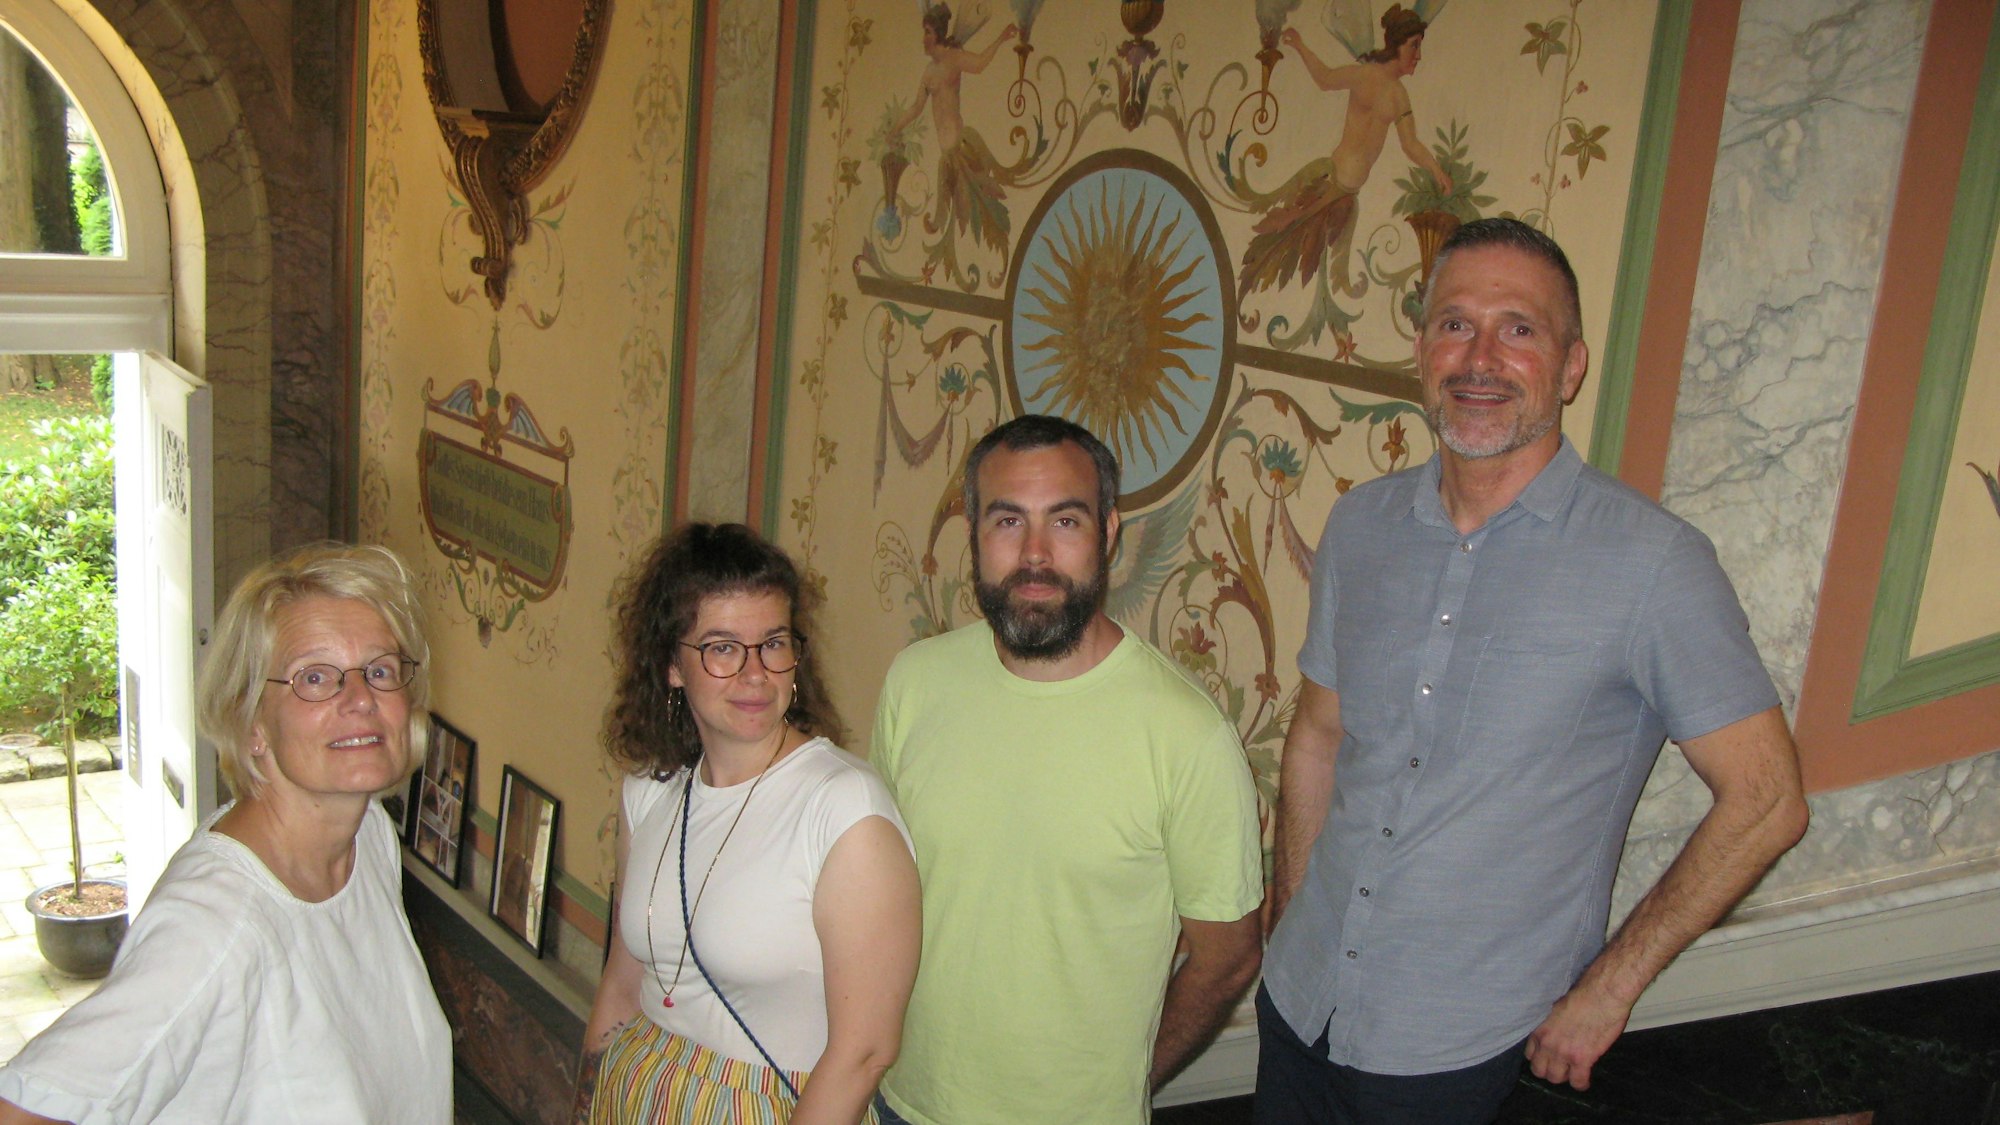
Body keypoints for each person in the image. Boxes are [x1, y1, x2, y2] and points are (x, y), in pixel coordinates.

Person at [1258, 217, 1811, 1123]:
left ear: (1571, 365)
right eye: (1453, 324)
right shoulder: (1361, 527)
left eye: (1519, 328)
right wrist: (1289, 913)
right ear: (1421, 348)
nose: (1479, 357)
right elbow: (1319, 736)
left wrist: (1608, 989)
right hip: (1299, 1012)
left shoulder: (1653, 564)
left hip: (1464, 1056)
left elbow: (1768, 800)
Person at [872, 414, 1264, 1124]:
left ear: (1109, 533)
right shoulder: (915, 682)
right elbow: (877, 889)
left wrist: (1126, 1076)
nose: (1034, 554)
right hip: (900, 1101)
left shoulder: (1187, 735)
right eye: (1007, 521)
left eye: (1066, 521)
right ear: (974, 534)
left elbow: (1229, 954)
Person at [0, 543, 453, 1124]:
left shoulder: (365, 837)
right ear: (252, 723)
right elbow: (30, 1110)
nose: (360, 699)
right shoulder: (218, 924)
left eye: (381, 671)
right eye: (315, 677)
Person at [575, 523, 920, 1124]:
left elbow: (865, 1052)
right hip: (635, 1093)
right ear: (672, 665)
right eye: (722, 647)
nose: (756, 673)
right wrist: (582, 1106)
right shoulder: (650, 795)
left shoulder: (843, 810)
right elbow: (622, 984)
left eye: (774, 643)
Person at [1240, 5, 1451, 299]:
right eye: (1414, 45)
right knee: (1289, 230)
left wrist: (1436, 169)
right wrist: (1300, 45)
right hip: (1332, 178)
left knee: (1304, 244)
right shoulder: (1366, 75)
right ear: (1397, 44)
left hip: (1346, 190)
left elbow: (1410, 143)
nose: (1418, 55)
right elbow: (1325, 79)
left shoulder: (1398, 95)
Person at [887, 4, 1019, 257]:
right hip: (946, 153)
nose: (923, 39)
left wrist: (1001, 38)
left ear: (937, 33)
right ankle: (939, 225)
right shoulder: (928, 73)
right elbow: (916, 107)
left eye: (927, 32)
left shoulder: (953, 59)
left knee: (974, 202)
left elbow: (979, 64)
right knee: (954, 199)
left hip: (960, 145)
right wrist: (894, 130)